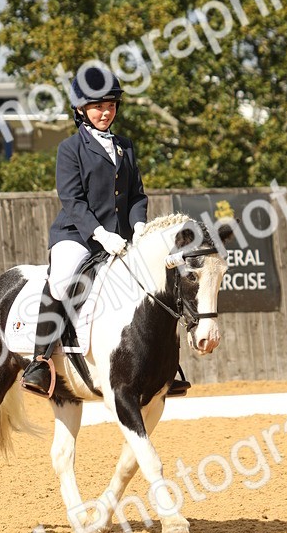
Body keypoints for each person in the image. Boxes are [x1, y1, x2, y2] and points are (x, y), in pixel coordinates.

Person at [20, 63, 190, 398]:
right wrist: (100, 234)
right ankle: (40, 361)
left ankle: (167, 366)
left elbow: (137, 194)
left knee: (154, 284)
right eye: (98, 106)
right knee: (64, 278)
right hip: (77, 235)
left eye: (110, 106)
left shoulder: (125, 145)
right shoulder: (70, 149)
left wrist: (139, 223)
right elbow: (72, 200)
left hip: (124, 238)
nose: (105, 112)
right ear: (82, 109)